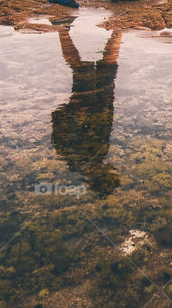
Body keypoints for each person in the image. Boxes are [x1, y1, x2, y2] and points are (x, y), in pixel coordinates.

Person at [50, 20, 122, 197]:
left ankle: (63, 31)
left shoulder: (79, 160)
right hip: (99, 106)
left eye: (109, 173)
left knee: (83, 68)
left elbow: (60, 127)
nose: (111, 168)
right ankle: (117, 31)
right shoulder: (95, 158)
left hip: (86, 106)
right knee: (104, 67)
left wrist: (75, 113)